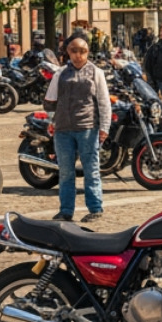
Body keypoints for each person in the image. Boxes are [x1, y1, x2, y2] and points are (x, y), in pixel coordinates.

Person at [44, 34, 112, 223]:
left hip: (88, 128)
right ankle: (66, 210)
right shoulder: (60, 74)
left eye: (82, 51)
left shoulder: (96, 73)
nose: (78, 55)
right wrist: (52, 122)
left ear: (88, 52)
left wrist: (104, 127)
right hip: (63, 130)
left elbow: (104, 102)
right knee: (65, 172)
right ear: (67, 52)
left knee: (91, 170)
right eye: (74, 51)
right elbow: (51, 101)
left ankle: (95, 208)